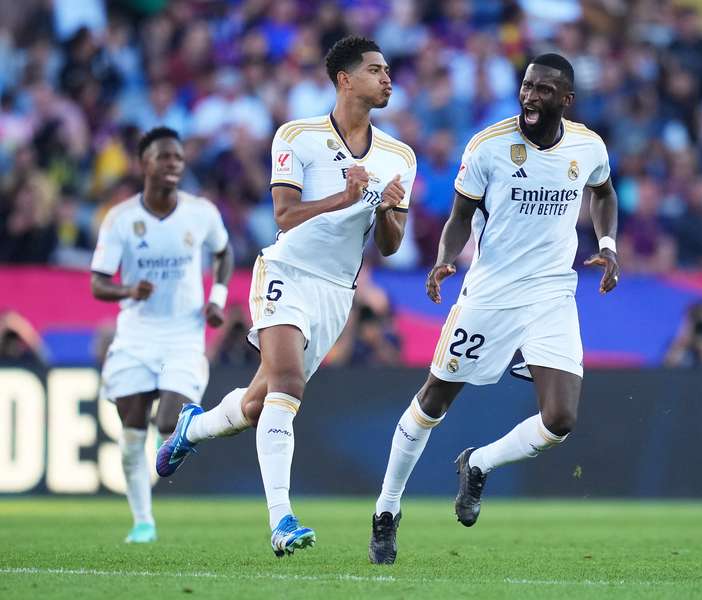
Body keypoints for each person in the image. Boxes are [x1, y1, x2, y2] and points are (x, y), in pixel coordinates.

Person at [155, 36, 416, 557]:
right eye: (375, 70)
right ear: (345, 79)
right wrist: (344, 197)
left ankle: (194, 427)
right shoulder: (297, 136)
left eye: (388, 71)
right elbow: (284, 216)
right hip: (286, 270)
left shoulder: (398, 157)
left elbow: (389, 246)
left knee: (258, 404)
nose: (387, 78)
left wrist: (387, 211)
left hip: (336, 292)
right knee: (289, 387)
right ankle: (282, 520)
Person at [368, 54, 620, 564]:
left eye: (543, 90)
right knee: (435, 399)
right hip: (491, 293)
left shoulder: (588, 146)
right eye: (526, 86)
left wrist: (609, 243)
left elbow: (604, 193)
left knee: (560, 419)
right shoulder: (488, 146)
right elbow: (461, 216)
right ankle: (387, 509)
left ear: (565, 100)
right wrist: (442, 261)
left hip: (552, 292)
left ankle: (478, 464)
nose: (530, 96)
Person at [90, 126, 233, 544]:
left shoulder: (201, 212)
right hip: (136, 336)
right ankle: (143, 522)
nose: (172, 164)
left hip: (184, 336)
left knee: (169, 421)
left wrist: (217, 298)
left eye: (178, 158)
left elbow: (223, 252)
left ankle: (180, 436)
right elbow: (98, 282)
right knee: (133, 433)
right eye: (163, 157)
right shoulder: (121, 219)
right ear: (144, 164)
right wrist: (128, 290)